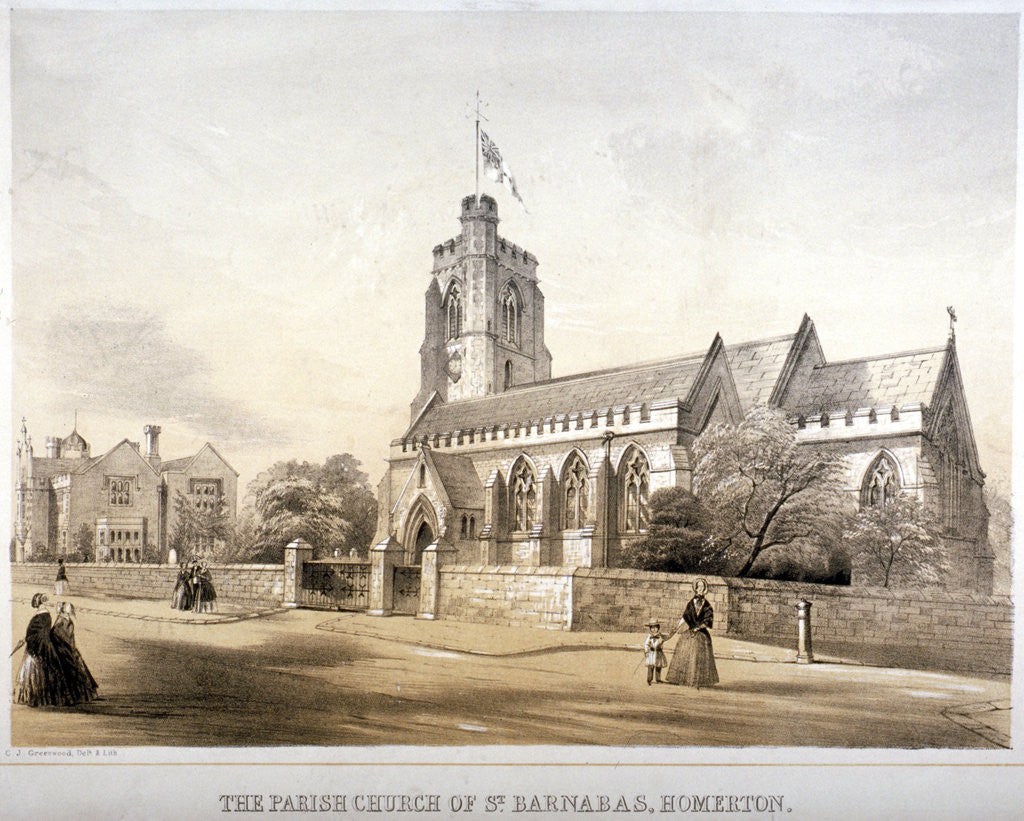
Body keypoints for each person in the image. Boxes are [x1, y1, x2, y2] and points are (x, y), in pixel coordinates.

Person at [15, 593, 73, 707]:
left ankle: (35, 698)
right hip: (44, 645)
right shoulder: (46, 615)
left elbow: (36, 632)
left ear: (37, 603)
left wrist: (27, 638)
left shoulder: (40, 615)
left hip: (38, 646)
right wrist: (26, 638)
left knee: (35, 672)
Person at [664, 578, 719, 689]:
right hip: (690, 632)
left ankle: (699, 681)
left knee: (699, 656)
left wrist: (699, 627)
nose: (700, 589)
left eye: (702, 587)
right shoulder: (691, 603)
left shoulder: (707, 605)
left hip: (702, 635)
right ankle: (684, 679)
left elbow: (708, 620)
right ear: (695, 588)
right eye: (698, 587)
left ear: (705, 589)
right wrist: (675, 629)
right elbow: (685, 617)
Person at [51, 602, 99, 704]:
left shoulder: (65, 621)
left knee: (75, 670)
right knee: (72, 670)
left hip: (67, 649)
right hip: (64, 649)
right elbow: (57, 635)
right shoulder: (62, 620)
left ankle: (80, 695)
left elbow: (66, 636)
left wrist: (70, 647)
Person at [642, 619, 667, 685]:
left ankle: (658, 679)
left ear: (658, 628)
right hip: (651, 653)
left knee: (658, 666)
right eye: (652, 628)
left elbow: (662, 642)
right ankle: (649, 679)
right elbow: (646, 644)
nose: (654, 629)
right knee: (651, 666)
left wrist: (661, 643)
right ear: (650, 629)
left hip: (658, 653)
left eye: (655, 627)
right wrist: (646, 651)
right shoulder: (649, 636)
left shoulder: (660, 635)